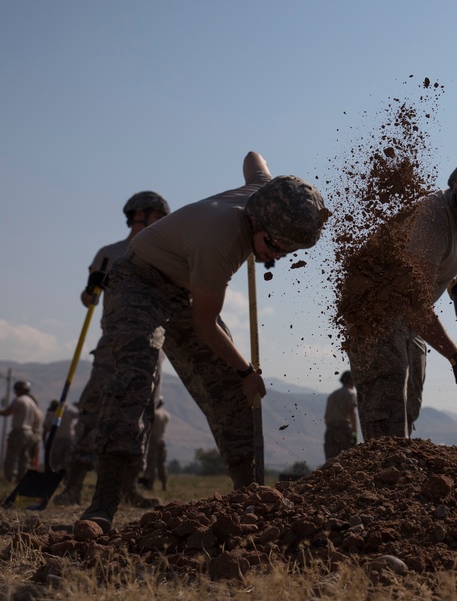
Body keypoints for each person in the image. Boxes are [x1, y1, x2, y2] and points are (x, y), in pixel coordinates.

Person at [77, 152, 329, 534]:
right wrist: (246, 369)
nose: (276, 256)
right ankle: (104, 503)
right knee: (135, 377)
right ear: (258, 220)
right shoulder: (219, 244)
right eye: (274, 245)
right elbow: (205, 325)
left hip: (183, 286)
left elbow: (253, 159)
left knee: (230, 388)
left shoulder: (268, 193)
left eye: (288, 251)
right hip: (139, 281)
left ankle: (251, 497)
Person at [344, 150, 457, 440]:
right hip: (375, 310)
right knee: (388, 402)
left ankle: (400, 464)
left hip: (411, 315)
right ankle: (386, 475)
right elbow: (416, 305)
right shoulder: (432, 221)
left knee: (410, 403)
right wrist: (456, 358)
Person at [55, 191, 170, 507]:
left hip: (150, 345)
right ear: (137, 215)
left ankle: (129, 487)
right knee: (94, 407)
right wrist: (91, 289)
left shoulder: (166, 252)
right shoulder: (109, 253)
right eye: (154, 214)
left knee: (142, 413)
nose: (159, 221)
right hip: (113, 344)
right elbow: (87, 298)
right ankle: (74, 484)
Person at [0, 381, 44, 483]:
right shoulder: (32, 403)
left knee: (12, 457)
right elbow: (36, 419)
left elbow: (8, 412)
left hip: (19, 432)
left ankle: (9, 479)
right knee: (24, 458)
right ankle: (21, 480)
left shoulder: (19, 400)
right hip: (29, 433)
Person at [323, 370, 359, 460]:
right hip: (344, 430)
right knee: (351, 459)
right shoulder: (350, 393)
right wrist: (355, 432)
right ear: (351, 380)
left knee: (331, 463)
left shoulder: (332, 395)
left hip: (330, 431)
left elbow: (326, 415)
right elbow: (352, 412)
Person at [42, 399, 79, 472]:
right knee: (67, 462)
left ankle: (53, 478)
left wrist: (44, 442)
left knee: (54, 462)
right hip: (69, 440)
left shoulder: (52, 415)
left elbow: (45, 429)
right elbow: (80, 414)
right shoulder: (69, 412)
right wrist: (78, 407)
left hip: (56, 441)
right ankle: (65, 479)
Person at [142, 398, 170, 491]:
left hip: (153, 439)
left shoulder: (154, 414)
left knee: (151, 461)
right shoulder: (166, 415)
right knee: (162, 462)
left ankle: (150, 484)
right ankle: (164, 483)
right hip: (162, 439)